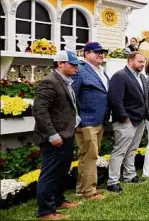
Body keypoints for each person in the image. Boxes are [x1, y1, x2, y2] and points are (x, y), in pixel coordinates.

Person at [33, 50, 81, 220]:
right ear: (60, 64)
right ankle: (46, 211)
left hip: (66, 134)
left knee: (62, 171)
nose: (76, 68)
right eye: (73, 64)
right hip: (54, 137)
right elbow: (39, 111)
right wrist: (52, 135)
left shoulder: (66, 81)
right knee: (50, 173)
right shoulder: (49, 82)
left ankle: (59, 201)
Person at [107, 52, 149, 193]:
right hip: (126, 121)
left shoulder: (142, 77)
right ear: (131, 61)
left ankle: (129, 176)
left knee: (131, 150)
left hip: (140, 119)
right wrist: (124, 117)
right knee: (120, 151)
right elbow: (115, 99)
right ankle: (112, 182)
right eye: (140, 61)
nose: (143, 64)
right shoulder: (120, 76)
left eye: (144, 62)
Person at [71, 42, 109, 201]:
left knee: (88, 156)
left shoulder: (100, 70)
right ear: (86, 53)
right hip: (86, 122)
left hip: (99, 121)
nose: (101, 54)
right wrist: (77, 120)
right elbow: (71, 96)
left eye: (103, 52)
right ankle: (89, 192)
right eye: (97, 52)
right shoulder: (80, 70)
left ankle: (81, 189)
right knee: (90, 156)